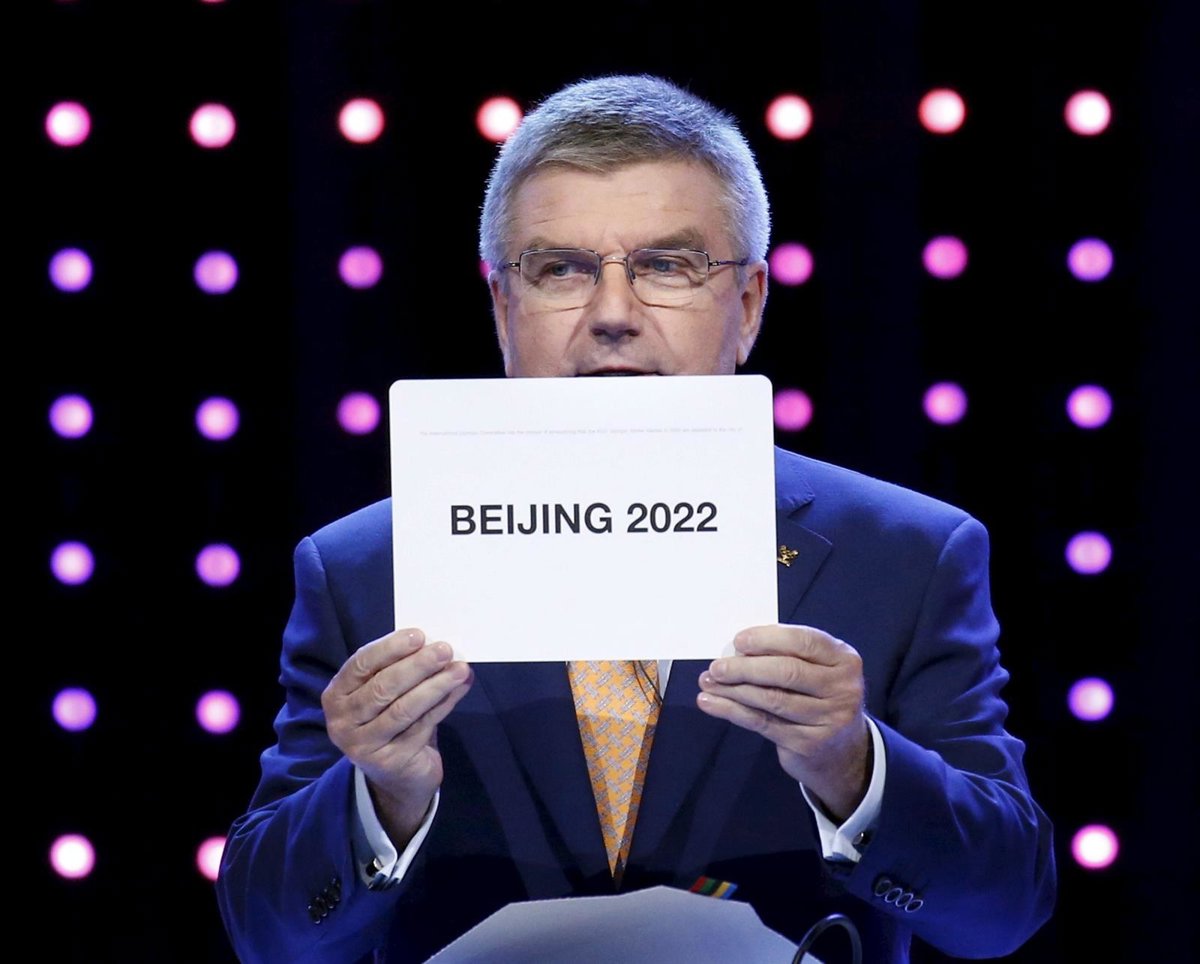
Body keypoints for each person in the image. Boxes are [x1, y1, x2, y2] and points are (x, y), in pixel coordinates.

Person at [216, 74, 1055, 963]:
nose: (613, 315)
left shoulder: (907, 555)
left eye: (666, 266)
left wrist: (853, 766)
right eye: (560, 270)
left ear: (749, 304)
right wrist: (379, 796)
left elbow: (1004, 911)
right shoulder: (362, 569)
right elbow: (268, 937)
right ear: (502, 306)